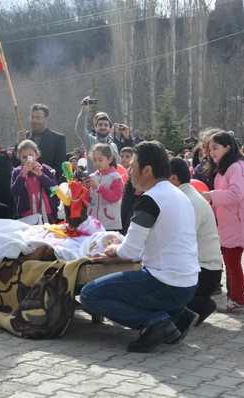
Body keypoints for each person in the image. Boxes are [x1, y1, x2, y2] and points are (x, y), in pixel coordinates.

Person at [80, 141, 200, 353]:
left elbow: (130, 252)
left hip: (166, 283)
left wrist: (112, 253)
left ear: (147, 170)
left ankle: (155, 323)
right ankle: (178, 314)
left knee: (90, 294)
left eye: (132, 166)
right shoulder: (178, 194)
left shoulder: (149, 200)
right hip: (188, 284)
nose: (128, 171)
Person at [201, 130, 244, 314]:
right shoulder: (226, 168)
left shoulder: (237, 167)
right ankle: (235, 299)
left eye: (215, 148)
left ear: (228, 147)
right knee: (230, 261)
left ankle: (238, 300)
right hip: (229, 222)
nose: (212, 152)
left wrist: (211, 196)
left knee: (233, 262)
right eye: (210, 149)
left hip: (237, 222)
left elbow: (235, 193)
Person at [169, 157, 223, 327]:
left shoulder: (189, 201)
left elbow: (181, 242)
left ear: (173, 178)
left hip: (205, 272)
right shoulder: (184, 195)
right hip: (200, 268)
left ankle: (201, 303)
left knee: (162, 291)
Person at [74, 96, 133, 173]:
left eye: (106, 125)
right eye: (100, 125)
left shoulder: (113, 146)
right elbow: (80, 130)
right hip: (94, 183)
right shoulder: (91, 141)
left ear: (110, 128)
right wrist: (84, 110)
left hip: (113, 183)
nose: (103, 127)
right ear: (95, 128)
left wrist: (126, 137)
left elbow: (125, 158)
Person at [10, 140, 57, 224]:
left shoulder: (46, 169)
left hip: (46, 212)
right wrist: (22, 175)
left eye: (30, 156)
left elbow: (54, 189)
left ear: (37, 155)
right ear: (19, 157)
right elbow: (15, 191)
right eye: (24, 157)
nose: (28, 160)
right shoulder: (17, 172)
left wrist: (41, 175)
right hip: (27, 214)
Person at [17, 103, 66, 181]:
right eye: (32, 117)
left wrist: (46, 180)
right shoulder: (24, 137)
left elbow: (60, 167)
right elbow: (15, 164)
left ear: (46, 119)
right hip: (26, 185)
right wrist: (19, 144)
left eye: (38, 118)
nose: (34, 121)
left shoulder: (58, 139)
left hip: (48, 184)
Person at [83, 143, 124, 231]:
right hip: (93, 224)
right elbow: (86, 200)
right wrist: (85, 188)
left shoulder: (115, 177)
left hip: (110, 224)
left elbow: (115, 197)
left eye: (100, 160)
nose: (97, 163)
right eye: (94, 160)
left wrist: (99, 187)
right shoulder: (92, 176)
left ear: (109, 159)